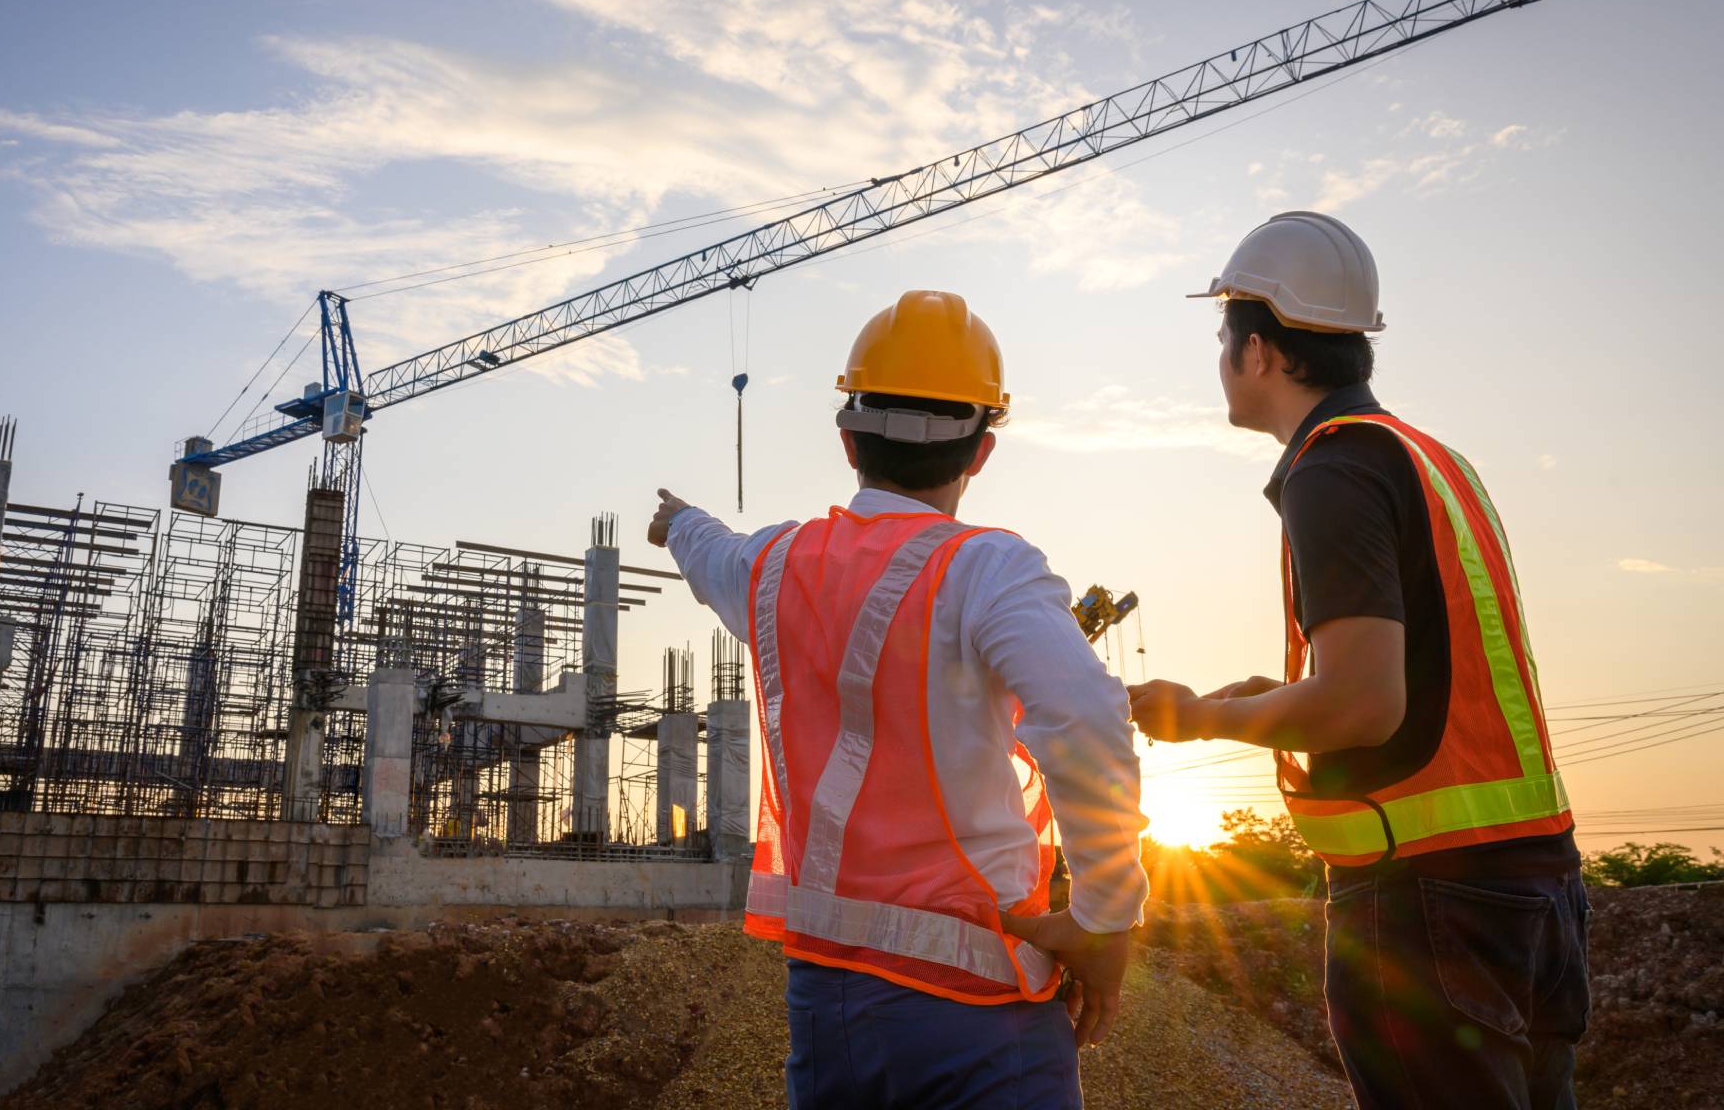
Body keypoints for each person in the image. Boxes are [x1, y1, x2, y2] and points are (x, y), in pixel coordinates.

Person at [1108, 212, 1586, 1108]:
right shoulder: (1431, 459)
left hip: (1429, 896)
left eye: (1224, 336)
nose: (1220, 357)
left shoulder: (1333, 471)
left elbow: (1365, 706)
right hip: (1532, 884)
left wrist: (1205, 719)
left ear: (1261, 353)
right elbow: (1402, 680)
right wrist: (1244, 703)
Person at [647, 290, 1148, 1109]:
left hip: (827, 1010)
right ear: (982, 451)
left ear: (847, 440)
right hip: (977, 1010)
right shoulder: (989, 570)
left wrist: (677, 522)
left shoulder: (775, 567)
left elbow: (715, 554)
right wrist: (1104, 916)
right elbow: (1088, 721)